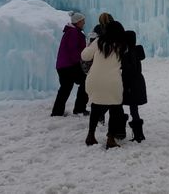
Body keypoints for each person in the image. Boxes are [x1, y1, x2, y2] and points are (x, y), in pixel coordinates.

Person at [81, 20, 127, 149]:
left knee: (96, 107)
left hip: (95, 80)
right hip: (113, 82)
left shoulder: (99, 42)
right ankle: (110, 139)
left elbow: (84, 56)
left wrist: (90, 45)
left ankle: (91, 135)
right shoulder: (122, 45)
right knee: (115, 109)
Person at [51, 11, 90, 117]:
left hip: (64, 66)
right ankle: (79, 108)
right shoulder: (73, 32)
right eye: (82, 21)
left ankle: (57, 112)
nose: (84, 23)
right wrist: (82, 60)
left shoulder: (72, 31)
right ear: (77, 22)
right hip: (69, 65)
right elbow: (73, 50)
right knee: (85, 81)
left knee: (65, 87)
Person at [122, 29, 147, 142]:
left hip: (130, 83)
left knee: (122, 105)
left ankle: (136, 135)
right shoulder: (137, 50)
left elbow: (128, 69)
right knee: (134, 108)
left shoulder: (127, 53)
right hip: (138, 82)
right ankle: (139, 134)